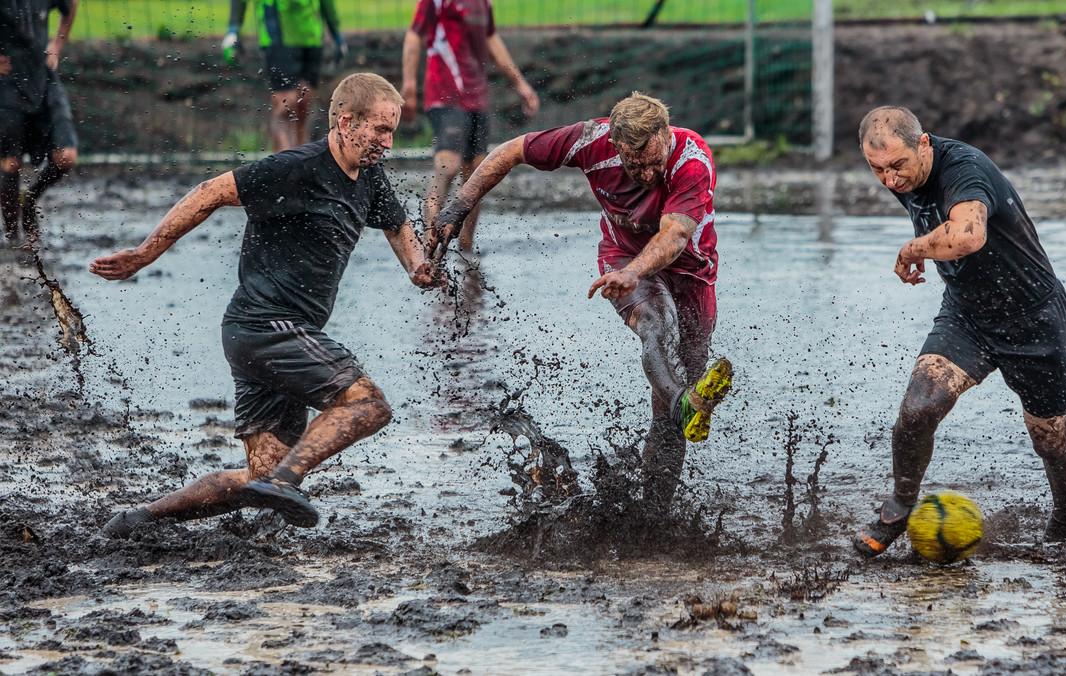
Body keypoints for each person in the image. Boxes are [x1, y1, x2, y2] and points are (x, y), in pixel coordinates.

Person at [92, 73, 436, 537]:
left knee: (257, 481)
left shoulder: (369, 177)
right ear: (346, 121)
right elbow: (210, 191)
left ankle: (138, 520)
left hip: (257, 337)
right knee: (369, 405)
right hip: (266, 326)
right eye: (379, 129)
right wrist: (143, 254)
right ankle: (287, 480)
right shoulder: (297, 166)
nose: (388, 142)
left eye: (392, 131)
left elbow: (397, 226)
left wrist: (418, 269)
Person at [429, 91, 733, 504]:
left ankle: (654, 512)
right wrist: (458, 208)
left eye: (651, 162)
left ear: (665, 133)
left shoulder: (691, 157)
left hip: (691, 272)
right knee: (656, 326)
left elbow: (675, 235)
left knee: (670, 418)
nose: (644, 173)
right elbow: (510, 150)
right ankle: (682, 401)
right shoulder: (590, 141)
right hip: (623, 257)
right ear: (615, 146)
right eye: (633, 164)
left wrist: (634, 272)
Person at [852, 105, 1066, 556]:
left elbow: (968, 236)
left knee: (1050, 439)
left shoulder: (964, 170)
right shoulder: (902, 171)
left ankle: (1065, 518)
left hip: (1036, 321)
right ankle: (900, 506)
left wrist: (914, 247)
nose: (891, 181)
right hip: (968, 316)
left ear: (924, 144)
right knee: (918, 408)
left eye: (898, 165)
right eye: (876, 169)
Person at [401, 0, 539, 253]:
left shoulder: (484, 3)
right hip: (443, 94)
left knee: (478, 174)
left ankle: (466, 250)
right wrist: (409, 84)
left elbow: (491, 39)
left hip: (476, 97)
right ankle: (429, 246)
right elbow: (414, 35)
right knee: (449, 165)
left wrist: (520, 83)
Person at [0, 0, 79, 244]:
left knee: (66, 156)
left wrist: (57, 44)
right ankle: (13, 238)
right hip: (7, 85)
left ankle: (30, 198)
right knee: (11, 164)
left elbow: (71, 4)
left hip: (44, 79)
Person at [221, 0, 347, 153]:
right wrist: (233, 28)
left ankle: (300, 161)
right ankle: (284, 167)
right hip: (277, 33)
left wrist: (335, 32)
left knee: (303, 102)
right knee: (286, 106)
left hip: (311, 35)